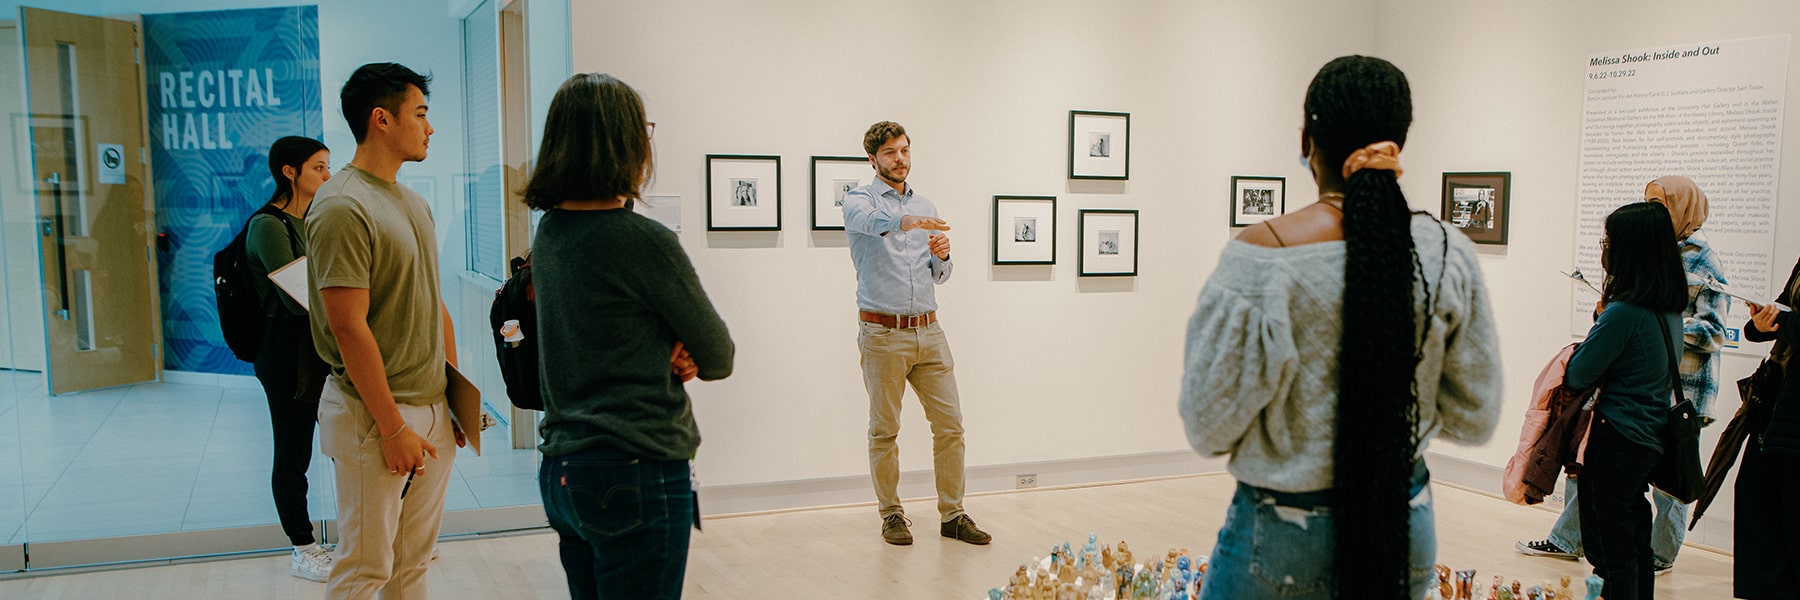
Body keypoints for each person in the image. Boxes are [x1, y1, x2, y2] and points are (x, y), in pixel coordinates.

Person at [1179, 56, 1502, 600]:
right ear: (1399, 141)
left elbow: (1208, 425)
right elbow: (1475, 418)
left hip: (1285, 531)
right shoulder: (1448, 253)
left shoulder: (1261, 259)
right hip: (1405, 520)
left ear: (1306, 139)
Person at [527, 72, 735, 599]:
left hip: (564, 467)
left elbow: (601, 330)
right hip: (634, 467)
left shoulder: (549, 233)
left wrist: (661, 343)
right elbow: (718, 355)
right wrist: (680, 346)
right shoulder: (643, 240)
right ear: (622, 143)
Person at [1517, 176, 1729, 575]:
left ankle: (1660, 554)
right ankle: (1569, 539)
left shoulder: (1695, 266)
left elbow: (1713, 331)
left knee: (1658, 495)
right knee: (1617, 508)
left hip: (1678, 393)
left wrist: (1643, 338)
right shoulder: (1648, 299)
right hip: (1644, 397)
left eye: (1661, 204)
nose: (1653, 211)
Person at [307, 62, 464, 599]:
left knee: (412, 563)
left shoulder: (413, 203)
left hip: (431, 406)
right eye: (420, 114)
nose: (430, 127)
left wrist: (456, 401)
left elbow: (432, 303)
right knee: (365, 567)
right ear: (382, 119)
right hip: (373, 414)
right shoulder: (342, 205)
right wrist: (393, 426)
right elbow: (348, 328)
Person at [843, 121, 990, 547]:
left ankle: (953, 514)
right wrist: (907, 221)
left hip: (929, 329)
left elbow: (938, 275)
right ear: (873, 159)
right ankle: (891, 514)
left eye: (904, 150)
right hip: (882, 333)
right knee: (884, 430)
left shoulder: (925, 204)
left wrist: (943, 256)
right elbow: (874, 224)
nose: (900, 159)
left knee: (951, 426)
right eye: (890, 153)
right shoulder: (859, 201)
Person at [1559, 201, 1687, 600]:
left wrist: (1599, 322)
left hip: (1615, 438)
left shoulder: (1624, 312)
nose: (1604, 249)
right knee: (1634, 542)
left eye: (1609, 241)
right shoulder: (1668, 310)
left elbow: (1579, 373)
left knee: (1610, 550)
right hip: (1646, 437)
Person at [246, 135, 333, 582]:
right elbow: (304, 297)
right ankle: (303, 546)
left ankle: (362, 535)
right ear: (289, 172)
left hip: (318, 348)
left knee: (344, 442)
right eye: (319, 167)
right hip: (287, 353)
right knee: (294, 450)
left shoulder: (312, 220)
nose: (327, 175)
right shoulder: (268, 225)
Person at [1737, 260, 1800, 599]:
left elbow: (1791, 319)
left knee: (1788, 506)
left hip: (1791, 405)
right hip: (1778, 395)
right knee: (1759, 497)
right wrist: (1762, 321)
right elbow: (1776, 317)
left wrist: (1784, 321)